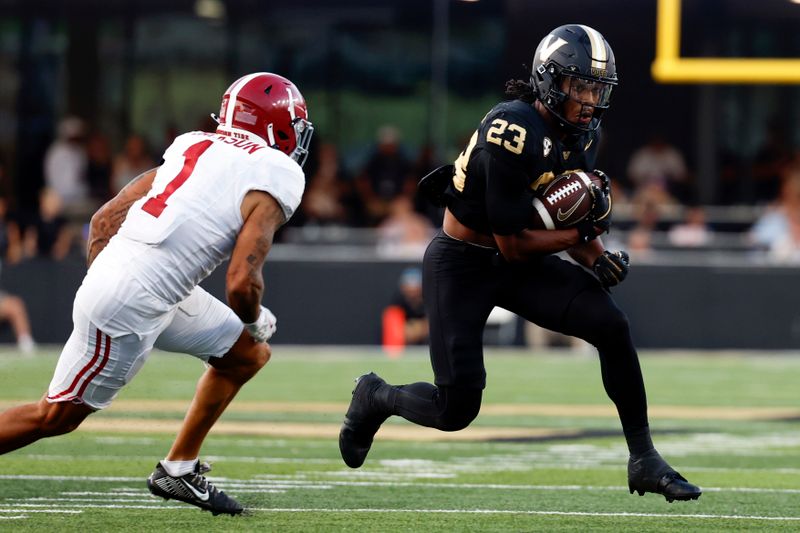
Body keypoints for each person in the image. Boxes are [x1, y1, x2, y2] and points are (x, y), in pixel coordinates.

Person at [339, 24, 701, 503]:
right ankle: (376, 396)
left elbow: (548, 212)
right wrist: (585, 234)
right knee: (455, 408)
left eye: (597, 88)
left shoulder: (585, 134)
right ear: (550, 81)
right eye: (580, 86)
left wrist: (595, 258)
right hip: (464, 262)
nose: (590, 100)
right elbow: (515, 242)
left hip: (515, 257)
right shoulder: (510, 130)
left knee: (610, 324)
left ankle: (644, 458)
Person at [0, 72, 314, 516]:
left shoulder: (194, 144)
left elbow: (105, 220)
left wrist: (109, 278)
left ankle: (178, 469)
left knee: (246, 355)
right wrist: (254, 316)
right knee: (56, 416)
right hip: (132, 299)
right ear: (276, 125)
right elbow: (242, 283)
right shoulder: (277, 172)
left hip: (142, 287)